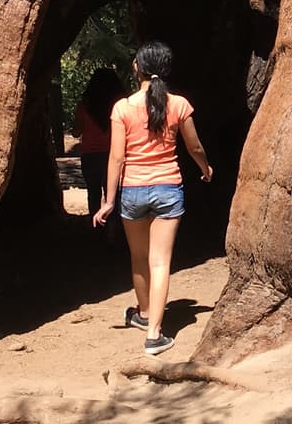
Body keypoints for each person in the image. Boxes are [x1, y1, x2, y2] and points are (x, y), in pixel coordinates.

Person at [92, 41, 212, 356]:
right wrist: (206, 168)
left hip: (132, 191)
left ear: (138, 68)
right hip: (168, 189)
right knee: (160, 262)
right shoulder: (179, 105)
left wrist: (108, 201)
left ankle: (145, 316)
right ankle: (155, 334)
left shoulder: (122, 108)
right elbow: (194, 146)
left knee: (138, 257)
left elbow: (116, 158)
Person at [74, 67, 123, 219]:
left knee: (93, 194)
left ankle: (95, 228)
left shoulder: (84, 106)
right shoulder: (120, 107)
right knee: (114, 196)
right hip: (113, 155)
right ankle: (113, 232)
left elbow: (75, 132)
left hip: (90, 156)